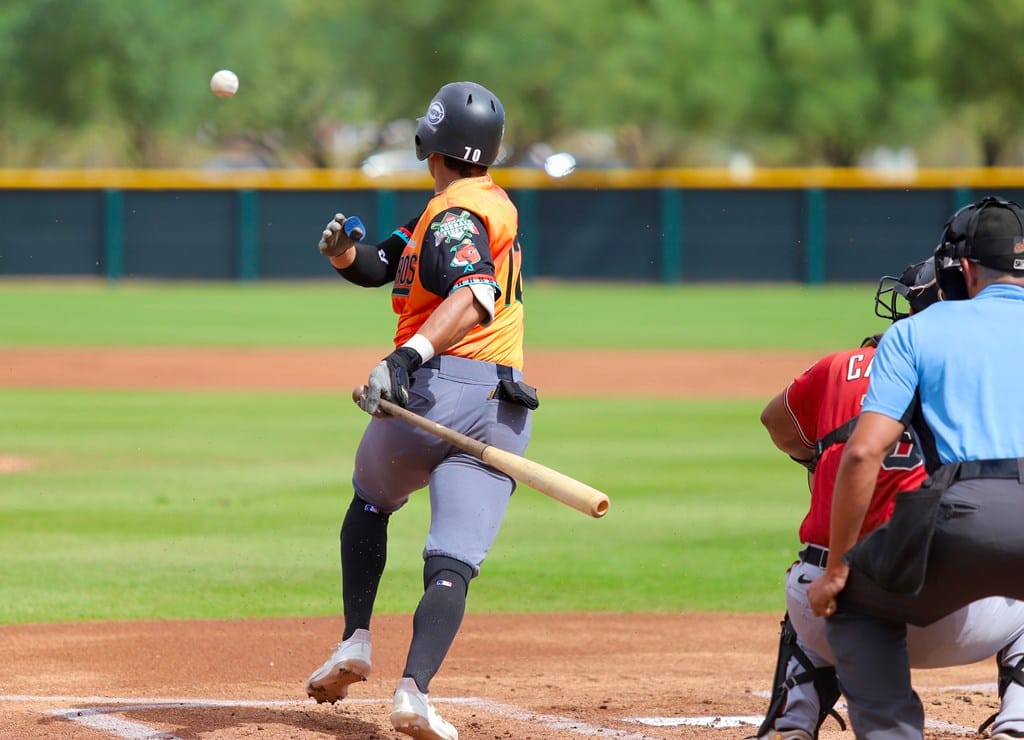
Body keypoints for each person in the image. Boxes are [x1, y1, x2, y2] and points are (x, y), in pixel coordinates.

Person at [304, 81, 535, 740]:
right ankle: (414, 692)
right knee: (454, 558)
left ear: (429, 141)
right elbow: (385, 264)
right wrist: (347, 256)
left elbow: (475, 291)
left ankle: (354, 639)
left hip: (431, 391)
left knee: (371, 501)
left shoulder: (454, 216)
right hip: (501, 404)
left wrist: (407, 358)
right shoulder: (468, 207)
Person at [756, 256, 1024, 740]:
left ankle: (793, 718)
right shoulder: (995, 378)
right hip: (965, 621)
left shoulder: (839, 367)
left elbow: (778, 425)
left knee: (815, 577)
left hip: (837, 617)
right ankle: (1018, 720)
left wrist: (819, 457)